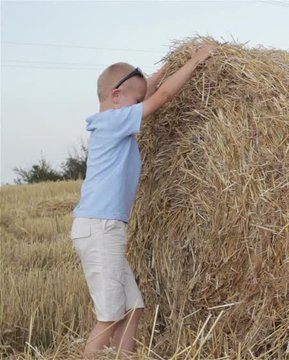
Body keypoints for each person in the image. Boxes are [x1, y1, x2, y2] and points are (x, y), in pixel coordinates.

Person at [69, 44, 216, 358]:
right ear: (117, 95)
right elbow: (160, 98)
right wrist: (194, 60)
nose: (141, 106)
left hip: (104, 228)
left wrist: (166, 68)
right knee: (108, 318)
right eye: (136, 101)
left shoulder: (113, 118)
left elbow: (148, 91)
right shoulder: (113, 121)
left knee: (133, 306)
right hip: (99, 229)